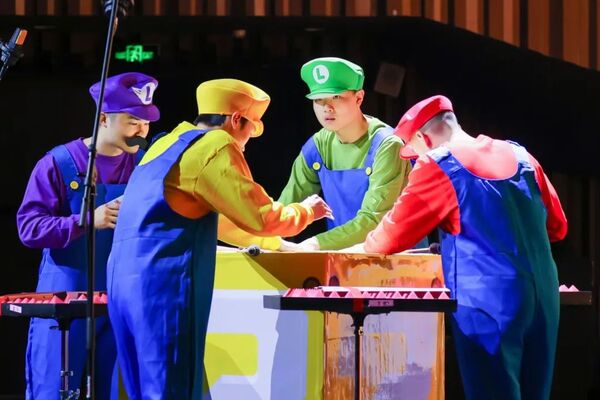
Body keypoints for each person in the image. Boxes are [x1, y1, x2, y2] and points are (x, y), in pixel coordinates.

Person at [106, 78, 331, 399]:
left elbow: (218, 219)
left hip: (122, 283)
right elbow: (260, 215)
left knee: (138, 389)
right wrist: (305, 211)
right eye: (251, 129)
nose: (248, 142)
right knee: (172, 388)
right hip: (163, 285)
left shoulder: (167, 143)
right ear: (236, 120)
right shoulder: (216, 146)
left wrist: (276, 245)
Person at [361, 95, 568, 399]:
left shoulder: (438, 163)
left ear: (423, 139)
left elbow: (387, 240)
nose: (415, 160)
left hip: (488, 302)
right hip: (545, 298)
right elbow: (557, 226)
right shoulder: (522, 156)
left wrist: (365, 243)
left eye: (414, 153)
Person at [17, 72, 160, 400]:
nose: (141, 131)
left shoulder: (145, 166)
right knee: (52, 389)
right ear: (104, 118)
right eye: (132, 122)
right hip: (65, 298)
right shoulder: (58, 163)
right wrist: (85, 221)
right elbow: (29, 228)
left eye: (146, 123)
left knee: (117, 390)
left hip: (120, 299)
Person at [220, 57, 417, 251]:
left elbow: (373, 220)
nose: (327, 108)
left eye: (336, 97)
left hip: (400, 258)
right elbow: (286, 208)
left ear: (359, 98)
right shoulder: (317, 146)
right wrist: (263, 243)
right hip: (341, 256)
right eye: (318, 100)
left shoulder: (387, 144)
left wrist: (313, 245)